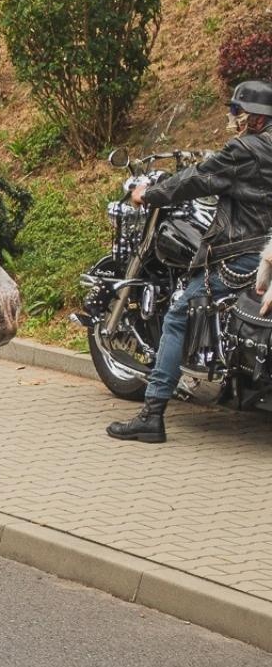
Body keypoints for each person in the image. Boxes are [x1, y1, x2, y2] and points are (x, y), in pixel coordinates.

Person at [107, 80, 272, 443]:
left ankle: (152, 415)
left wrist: (149, 194)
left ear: (257, 119)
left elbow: (199, 178)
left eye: (238, 112)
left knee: (177, 316)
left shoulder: (246, 148)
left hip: (243, 253)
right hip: (267, 249)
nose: (233, 119)